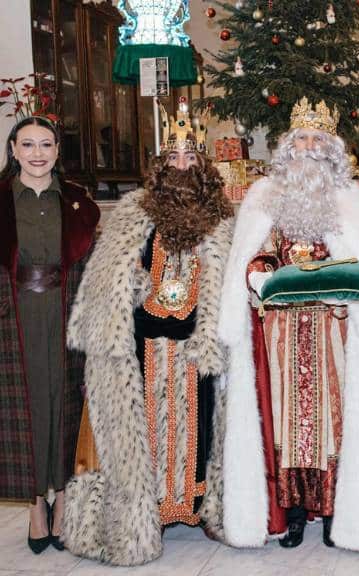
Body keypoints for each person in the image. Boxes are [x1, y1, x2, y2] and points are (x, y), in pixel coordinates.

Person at [218, 98, 359, 552]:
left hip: (333, 327)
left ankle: (336, 510)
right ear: (288, 148)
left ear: (331, 149)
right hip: (280, 334)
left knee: (336, 423)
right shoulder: (264, 196)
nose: (309, 148)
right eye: (301, 139)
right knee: (284, 426)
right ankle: (298, 513)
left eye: (317, 141)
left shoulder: (349, 199)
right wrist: (259, 273)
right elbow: (253, 254)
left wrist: (342, 287)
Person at [61, 103, 234, 565]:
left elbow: (230, 286)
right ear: (161, 166)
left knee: (201, 427)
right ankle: (145, 511)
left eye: (190, 159)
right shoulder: (133, 216)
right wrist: (134, 286)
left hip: (197, 346)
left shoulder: (221, 222)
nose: (182, 166)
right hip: (143, 344)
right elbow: (107, 283)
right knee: (141, 434)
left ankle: (198, 507)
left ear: (202, 166)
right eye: (173, 158)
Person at [0, 116, 99, 554]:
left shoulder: (78, 201)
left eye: (46, 145)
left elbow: (94, 266)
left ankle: (62, 502)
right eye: (28, 145)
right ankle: (35, 504)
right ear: (13, 150)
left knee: (65, 404)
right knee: (28, 409)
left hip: (66, 314)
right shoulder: (0, 201)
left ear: (58, 150)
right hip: (12, 318)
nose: (37, 153)